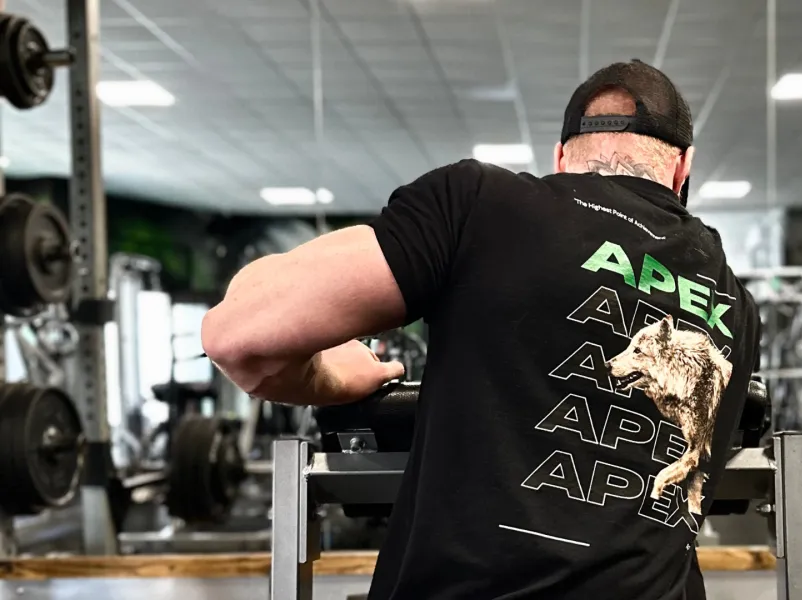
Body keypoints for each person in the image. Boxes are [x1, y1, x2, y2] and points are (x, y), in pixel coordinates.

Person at [203, 59, 761, 600]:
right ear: (683, 170)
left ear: (560, 158)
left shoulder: (482, 205)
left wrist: (330, 377)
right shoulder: (737, 308)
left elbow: (238, 337)